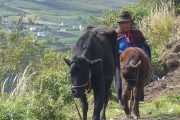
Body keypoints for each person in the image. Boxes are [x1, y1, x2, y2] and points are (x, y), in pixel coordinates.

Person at [115, 11, 151, 106]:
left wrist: (146, 59)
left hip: (136, 61)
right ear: (120, 24)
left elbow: (144, 46)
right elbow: (114, 49)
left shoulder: (137, 33)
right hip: (122, 61)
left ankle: (138, 100)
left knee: (138, 80)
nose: (125, 25)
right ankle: (122, 101)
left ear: (131, 23)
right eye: (122, 23)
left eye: (127, 22)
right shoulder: (116, 35)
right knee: (120, 81)